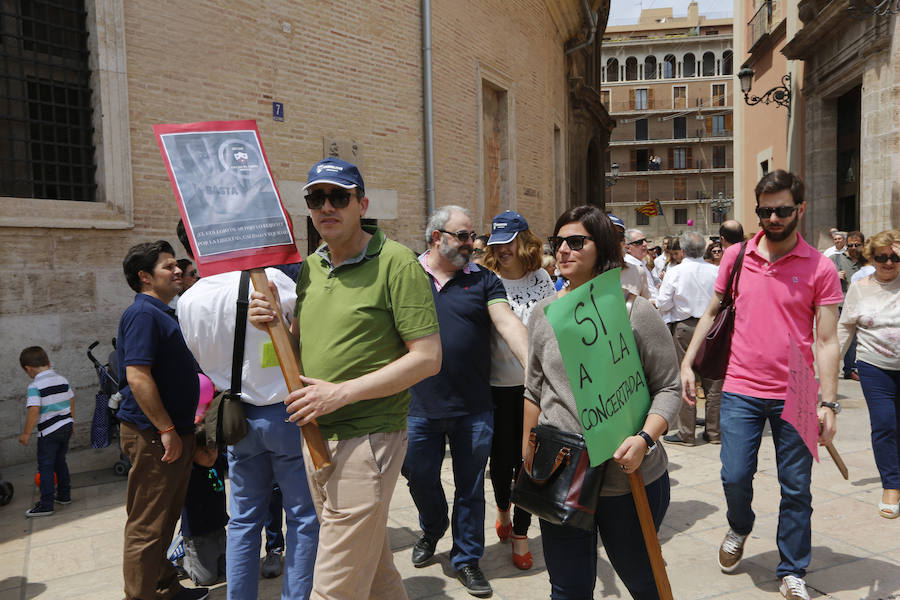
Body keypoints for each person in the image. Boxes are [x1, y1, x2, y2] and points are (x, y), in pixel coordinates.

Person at [248, 157, 441, 600]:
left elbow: (428, 359)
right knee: (373, 571)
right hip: (316, 437)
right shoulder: (312, 267)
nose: (326, 206)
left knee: (333, 586)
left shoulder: (397, 264)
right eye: (317, 198)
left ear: (362, 203)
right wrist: (273, 321)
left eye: (339, 196)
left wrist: (341, 394)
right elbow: (300, 355)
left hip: (369, 439)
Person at [679, 170, 841, 600]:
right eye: (764, 210)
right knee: (734, 475)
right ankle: (740, 525)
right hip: (740, 386)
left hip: (799, 390)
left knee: (797, 488)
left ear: (799, 210)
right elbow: (712, 312)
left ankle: (792, 569)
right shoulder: (736, 257)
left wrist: (829, 403)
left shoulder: (820, 267)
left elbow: (826, 340)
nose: (772, 217)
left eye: (782, 210)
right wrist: (689, 362)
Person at [525, 205, 680, 599]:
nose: (562, 250)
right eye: (557, 241)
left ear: (603, 248)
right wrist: (528, 458)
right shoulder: (542, 315)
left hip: (626, 480)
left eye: (576, 241)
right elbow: (533, 391)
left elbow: (668, 388)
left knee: (644, 582)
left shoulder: (635, 312)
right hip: (561, 475)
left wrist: (645, 438)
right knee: (568, 588)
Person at [403, 205, 528, 598]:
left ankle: (467, 558)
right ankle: (433, 524)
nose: (472, 244)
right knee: (418, 476)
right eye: (463, 236)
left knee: (471, 487)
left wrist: (536, 369)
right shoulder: (406, 277)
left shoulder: (485, 280)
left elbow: (507, 322)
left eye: (473, 236)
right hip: (416, 407)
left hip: (473, 407)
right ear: (436, 237)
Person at [178, 263, 320, 600]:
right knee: (302, 517)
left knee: (243, 520)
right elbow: (302, 338)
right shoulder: (272, 280)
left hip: (235, 417)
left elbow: (198, 356)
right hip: (284, 410)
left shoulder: (190, 298)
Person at [115, 240, 207, 600]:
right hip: (154, 435)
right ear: (145, 276)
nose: (178, 271)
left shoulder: (163, 312)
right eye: (168, 266)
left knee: (165, 519)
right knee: (147, 525)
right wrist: (166, 429)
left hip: (174, 433)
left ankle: (164, 586)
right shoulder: (142, 314)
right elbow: (137, 376)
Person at [481, 210, 556, 570]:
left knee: (529, 461)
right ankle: (502, 508)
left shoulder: (541, 277)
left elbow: (549, 326)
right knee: (502, 462)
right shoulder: (486, 279)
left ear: (524, 241)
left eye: (509, 241)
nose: (502, 248)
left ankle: (522, 533)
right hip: (496, 388)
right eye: (497, 242)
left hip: (534, 388)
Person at [837, 229, 900, 519]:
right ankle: (891, 484)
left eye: (895, 257)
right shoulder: (860, 287)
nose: (888, 262)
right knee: (885, 424)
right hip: (874, 366)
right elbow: (845, 327)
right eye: (882, 257)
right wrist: (827, 365)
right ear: (871, 258)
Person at [657, 232, 722, 446]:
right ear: (704, 250)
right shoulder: (715, 270)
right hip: (712, 327)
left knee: (686, 378)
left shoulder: (676, 272)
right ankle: (714, 431)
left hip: (685, 326)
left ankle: (687, 432)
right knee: (713, 381)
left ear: (683, 251)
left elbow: (664, 302)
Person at [18, 346, 74, 518]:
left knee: (46, 467)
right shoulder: (62, 379)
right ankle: (64, 495)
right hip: (66, 426)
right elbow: (71, 400)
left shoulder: (35, 385)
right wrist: (72, 421)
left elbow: (34, 410)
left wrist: (26, 433)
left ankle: (46, 504)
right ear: (48, 363)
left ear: (28, 369)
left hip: (49, 432)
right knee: (60, 461)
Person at [831, 231, 867, 381]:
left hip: (864, 305)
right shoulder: (836, 259)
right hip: (842, 304)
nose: (853, 248)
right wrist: (834, 275)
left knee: (862, 339)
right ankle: (848, 368)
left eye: (856, 245)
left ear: (863, 245)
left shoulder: (868, 260)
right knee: (846, 339)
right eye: (850, 245)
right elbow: (819, 276)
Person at [624, 229, 658, 301]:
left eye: (645, 240)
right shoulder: (628, 266)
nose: (645, 244)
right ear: (628, 248)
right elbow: (633, 298)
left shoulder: (642, 262)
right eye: (639, 242)